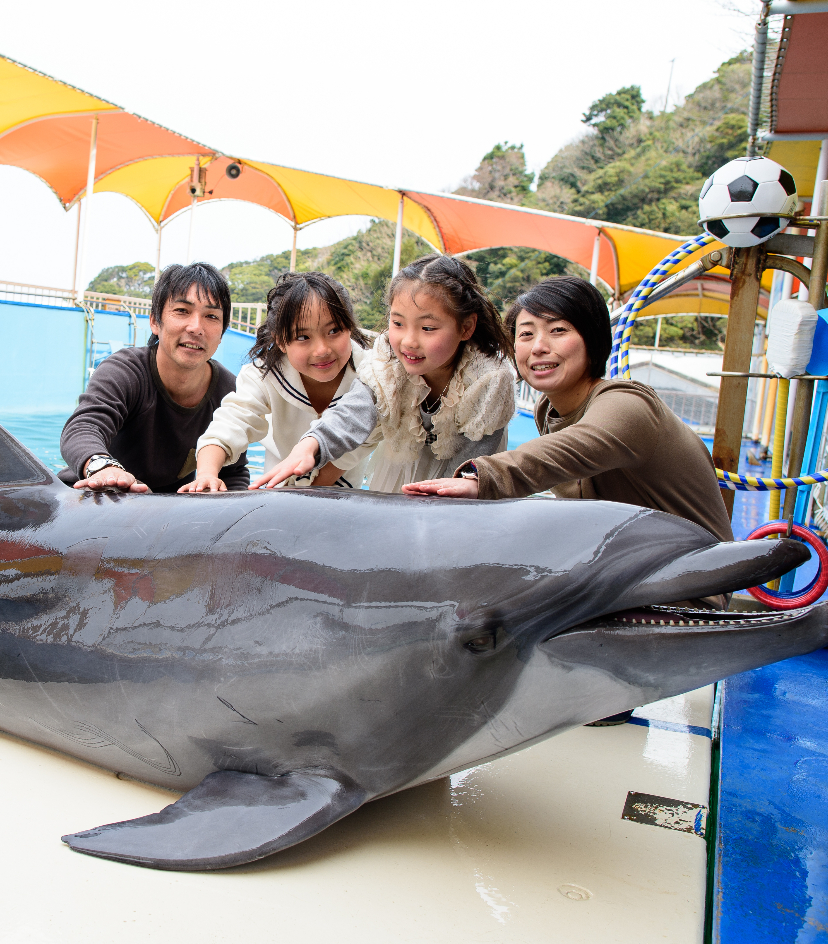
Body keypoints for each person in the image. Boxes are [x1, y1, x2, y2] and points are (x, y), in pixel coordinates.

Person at [406, 275, 732, 725]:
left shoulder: (628, 405)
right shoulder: (550, 411)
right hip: (628, 577)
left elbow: (574, 449)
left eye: (558, 330)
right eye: (526, 334)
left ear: (592, 338)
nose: (539, 346)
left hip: (687, 596)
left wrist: (484, 477)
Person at [249, 254, 516, 493]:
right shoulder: (387, 363)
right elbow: (354, 411)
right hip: (404, 466)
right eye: (398, 323)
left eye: (428, 328)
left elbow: (474, 462)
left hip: (464, 480)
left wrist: (453, 493)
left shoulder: (489, 381)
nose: (409, 341)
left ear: (466, 327)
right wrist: (312, 445)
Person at [58, 262, 249, 493]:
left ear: (221, 334)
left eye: (211, 316)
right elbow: (84, 427)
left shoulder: (228, 390)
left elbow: (233, 471)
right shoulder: (125, 371)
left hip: (163, 513)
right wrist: (104, 468)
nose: (196, 327)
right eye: (182, 311)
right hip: (93, 497)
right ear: (155, 322)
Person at [180, 272, 374, 493]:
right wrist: (206, 474)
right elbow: (232, 422)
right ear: (281, 340)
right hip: (278, 484)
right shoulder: (265, 375)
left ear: (350, 326)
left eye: (334, 331)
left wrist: (301, 497)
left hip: (345, 487)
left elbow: (356, 446)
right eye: (303, 337)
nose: (322, 350)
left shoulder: (372, 376)